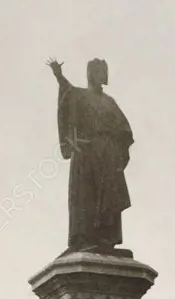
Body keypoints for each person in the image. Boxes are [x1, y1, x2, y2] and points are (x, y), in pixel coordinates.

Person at [47, 57, 133, 253]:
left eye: (104, 71)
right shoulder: (81, 96)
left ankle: (106, 240)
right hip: (86, 153)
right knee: (86, 195)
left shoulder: (109, 102)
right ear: (90, 74)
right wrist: (59, 76)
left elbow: (124, 129)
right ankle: (84, 238)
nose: (102, 75)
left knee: (109, 196)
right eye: (98, 71)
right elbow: (68, 94)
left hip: (107, 155)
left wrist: (117, 144)